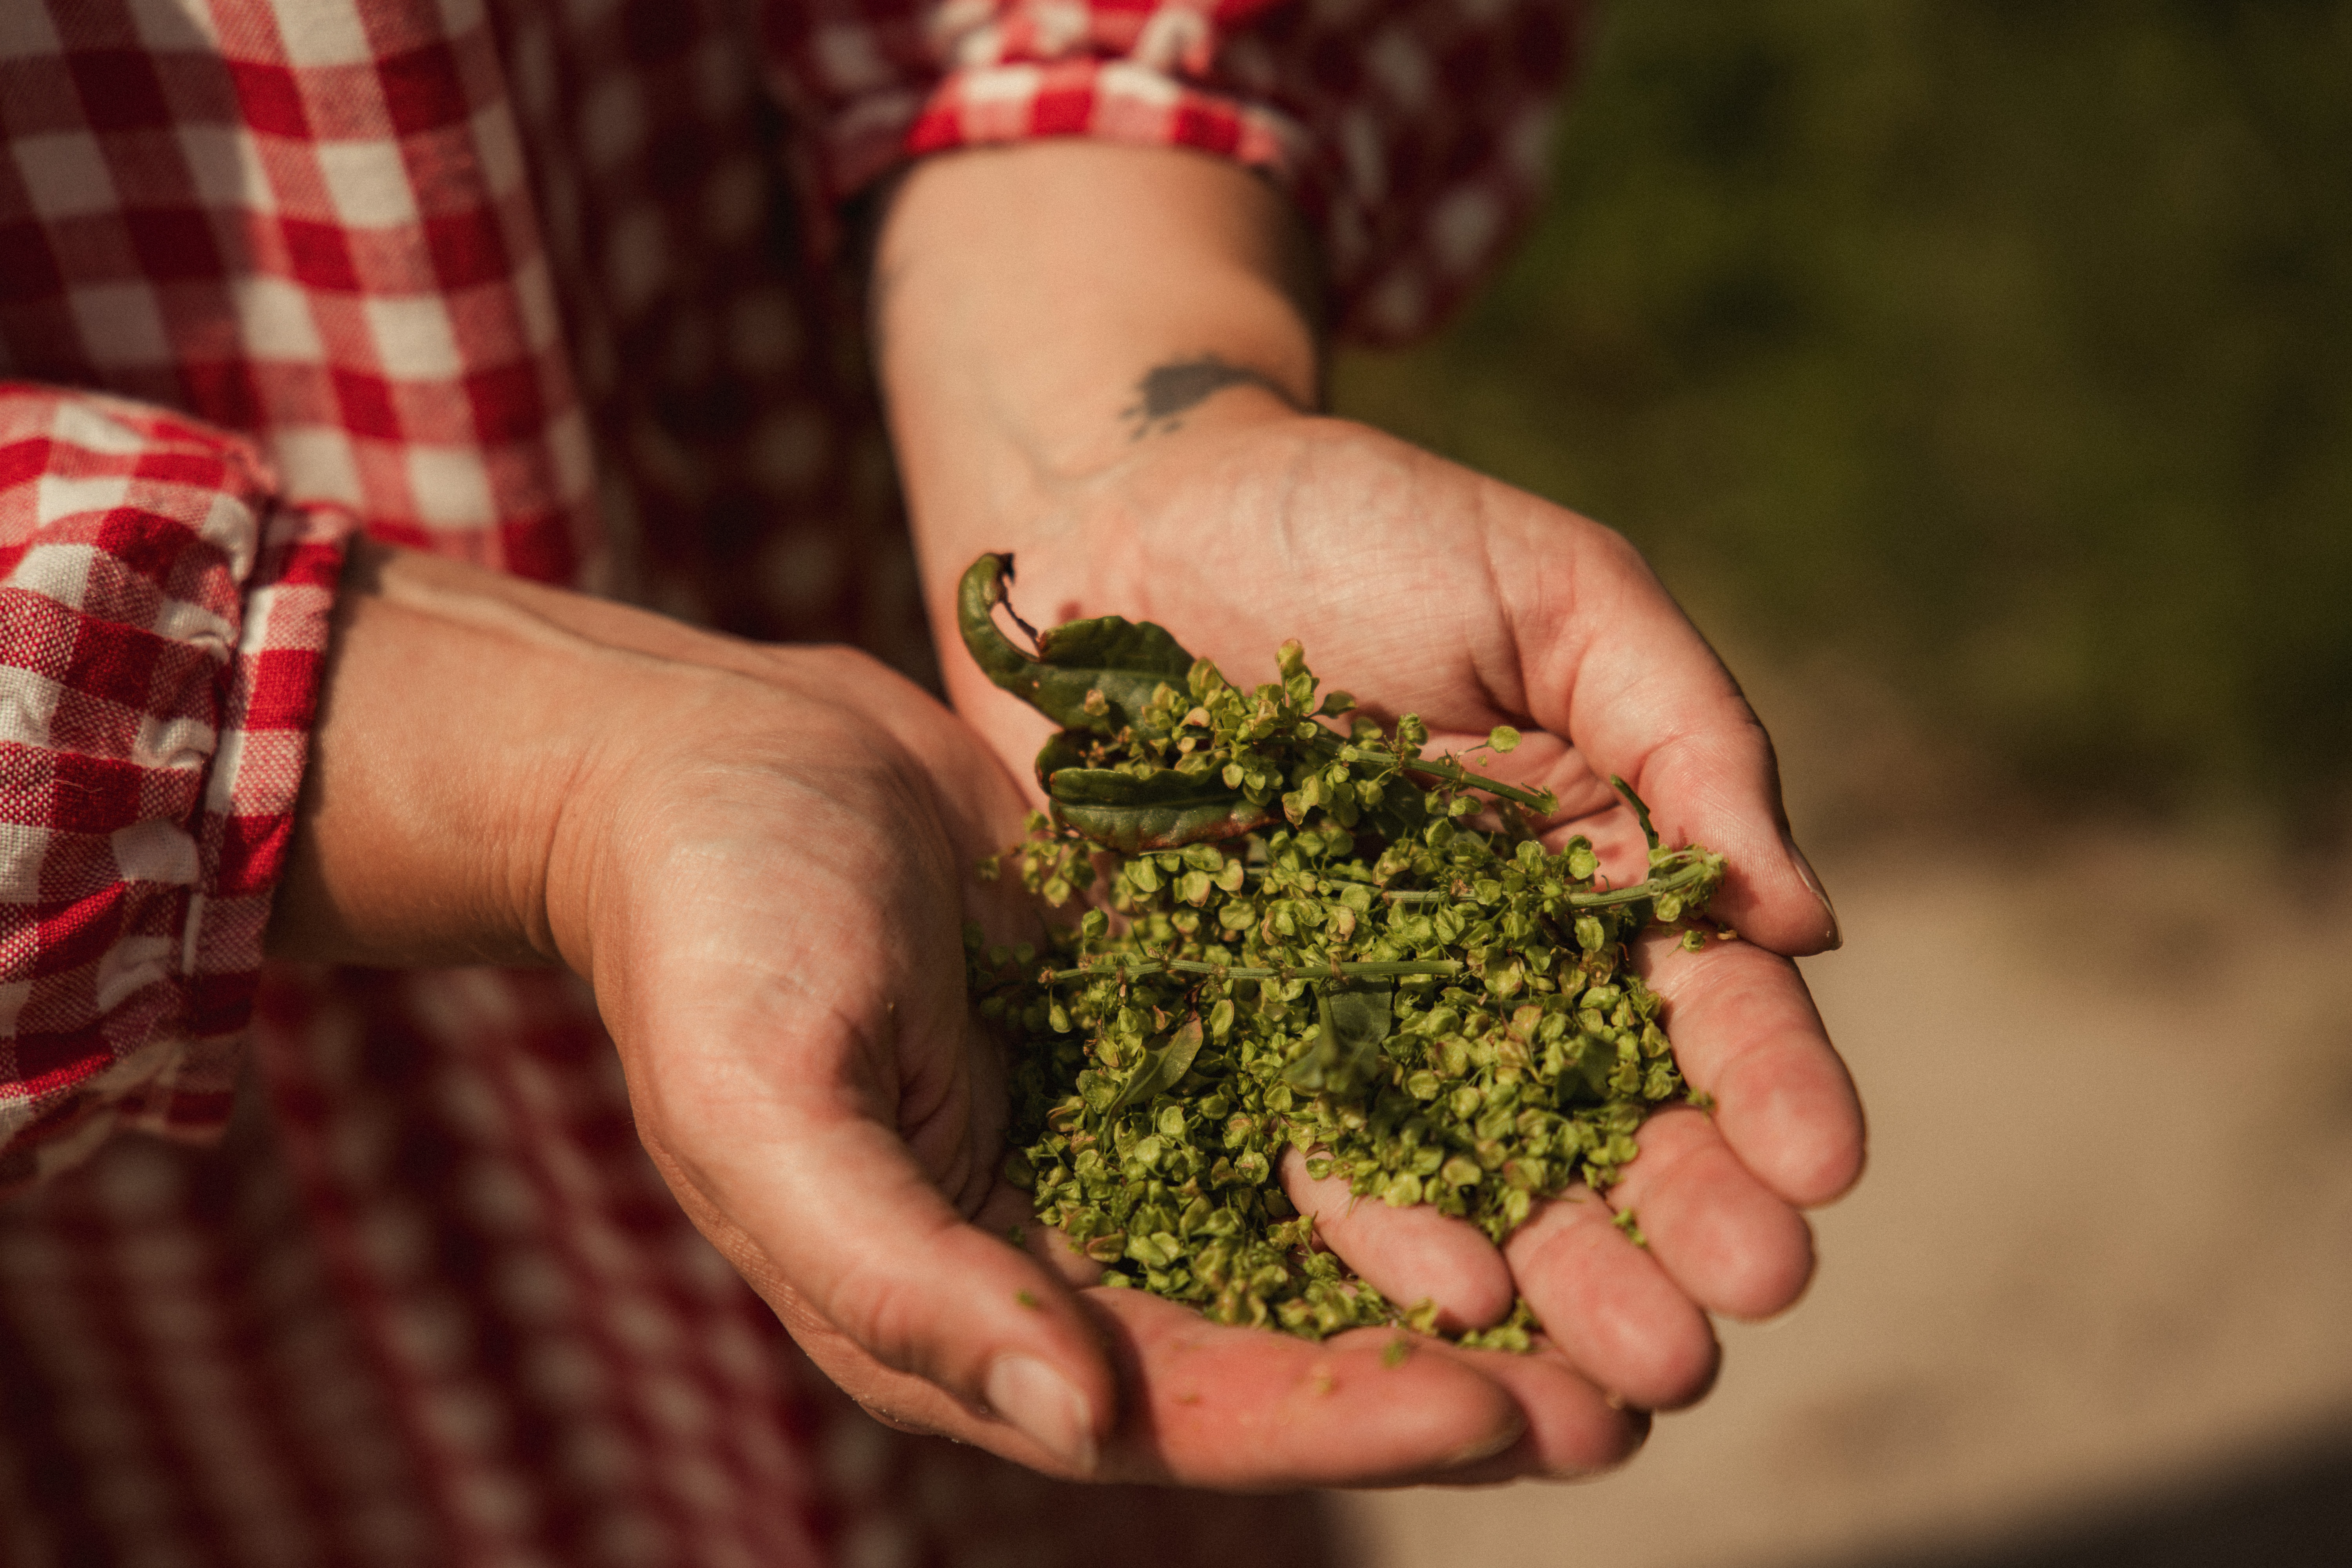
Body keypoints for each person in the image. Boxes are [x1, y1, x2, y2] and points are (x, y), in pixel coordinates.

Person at [0, 0, 1862, 1559]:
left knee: (1084, 1389)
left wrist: (1111, 403)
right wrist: (551, 773)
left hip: (897, 624)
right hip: (247, 1052)